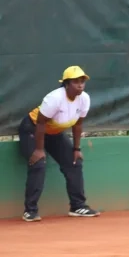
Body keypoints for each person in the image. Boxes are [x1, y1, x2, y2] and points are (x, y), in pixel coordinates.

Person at [18, 66, 100, 222]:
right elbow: (40, 123)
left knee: (74, 161)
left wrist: (76, 148)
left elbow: (77, 124)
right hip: (33, 129)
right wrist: (39, 149)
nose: (80, 85)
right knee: (39, 163)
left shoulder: (84, 99)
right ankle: (30, 211)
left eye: (82, 81)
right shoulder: (54, 98)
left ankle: (78, 206)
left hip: (53, 133)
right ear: (66, 84)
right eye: (76, 82)